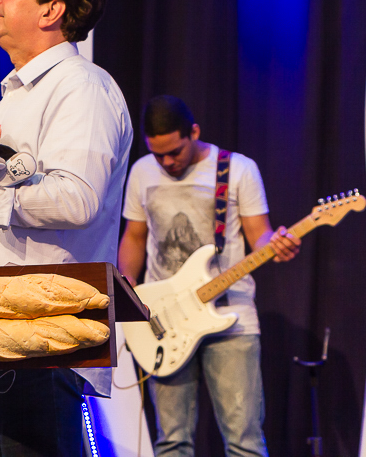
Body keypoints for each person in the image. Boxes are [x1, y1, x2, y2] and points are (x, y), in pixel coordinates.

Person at [0, 0, 133, 456]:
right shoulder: (17, 95)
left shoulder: (80, 86)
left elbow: (76, 198)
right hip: (2, 328)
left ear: (51, 11)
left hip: (42, 333)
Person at [117, 95, 300, 456]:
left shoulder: (239, 169)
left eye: (175, 152)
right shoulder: (141, 171)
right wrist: (128, 286)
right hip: (164, 320)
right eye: (158, 155)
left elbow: (259, 235)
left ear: (194, 132)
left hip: (232, 319)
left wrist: (277, 244)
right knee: (172, 442)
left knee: (244, 442)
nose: (167, 162)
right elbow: (134, 237)